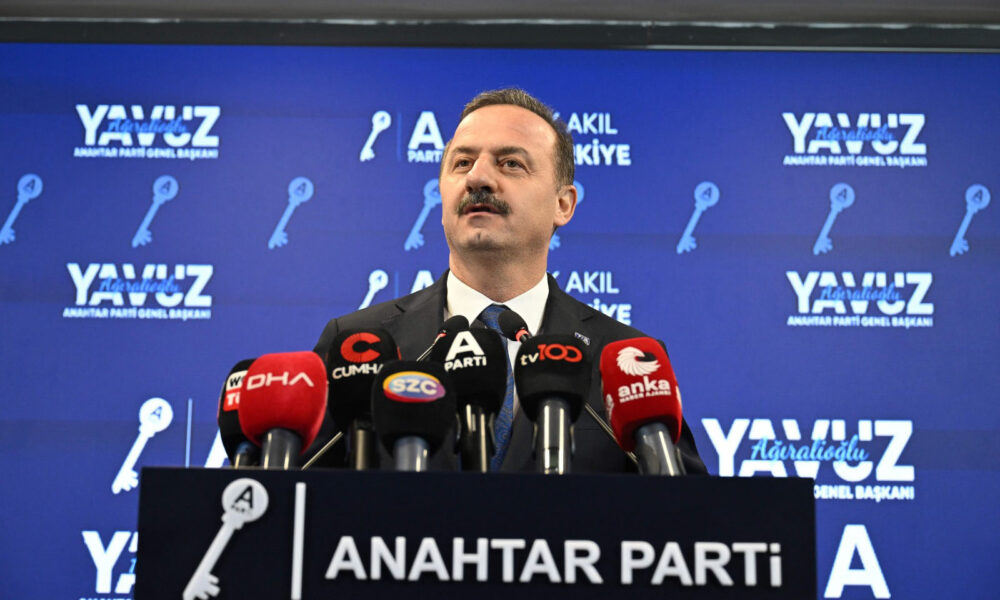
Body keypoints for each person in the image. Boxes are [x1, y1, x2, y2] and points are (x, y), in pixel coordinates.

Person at [313, 88, 706, 474]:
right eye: (462, 163)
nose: (478, 178)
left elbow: (686, 510)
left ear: (563, 204)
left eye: (510, 164)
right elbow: (297, 500)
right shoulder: (356, 347)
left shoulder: (623, 359)